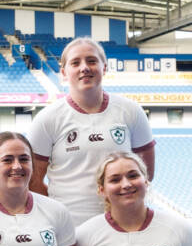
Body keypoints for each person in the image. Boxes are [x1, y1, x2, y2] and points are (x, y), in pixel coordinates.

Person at [26, 37, 155, 225]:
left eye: (92, 61)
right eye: (75, 63)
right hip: (69, 227)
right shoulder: (47, 119)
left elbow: (146, 172)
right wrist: (60, 209)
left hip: (120, 223)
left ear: (104, 67)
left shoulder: (131, 111)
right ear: (63, 72)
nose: (84, 67)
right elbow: (33, 182)